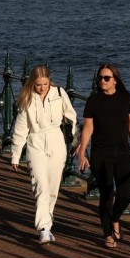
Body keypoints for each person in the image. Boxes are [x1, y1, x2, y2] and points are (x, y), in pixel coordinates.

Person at [76, 63, 130, 249]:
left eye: (106, 78)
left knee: (125, 195)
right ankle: (108, 234)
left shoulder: (125, 98)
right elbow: (88, 129)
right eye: (100, 78)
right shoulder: (93, 101)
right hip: (100, 155)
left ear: (115, 80)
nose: (102, 81)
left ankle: (115, 219)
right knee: (106, 194)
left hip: (122, 153)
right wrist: (82, 153)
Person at [10, 65, 78, 245]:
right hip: (35, 142)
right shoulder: (27, 99)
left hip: (56, 141)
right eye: (38, 85)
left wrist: (75, 142)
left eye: (45, 84)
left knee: (53, 187)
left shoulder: (59, 93)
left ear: (50, 81)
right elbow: (20, 129)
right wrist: (16, 154)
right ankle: (44, 228)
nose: (42, 88)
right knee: (40, 185)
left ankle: (47, 221)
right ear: (33, 83)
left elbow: (71, 116)